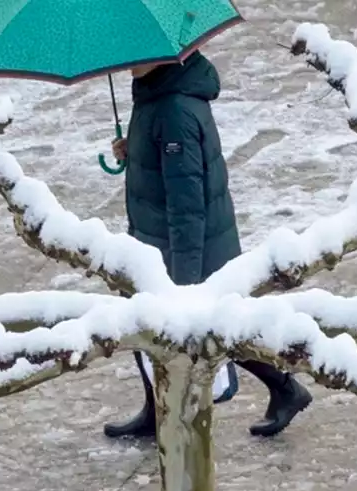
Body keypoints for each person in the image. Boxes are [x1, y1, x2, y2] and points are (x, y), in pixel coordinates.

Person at [104, 50, 312, 440]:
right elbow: (169, 168)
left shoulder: (174, 111)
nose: (126, 63)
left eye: (135, 56)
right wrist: (135, 151)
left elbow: (187, 205)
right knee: (146, 315)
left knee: (212, 330)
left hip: (185, 245)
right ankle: (156, 408)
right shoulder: (156, 94)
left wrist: (184, 285)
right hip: (158, 239)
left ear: (164, 55)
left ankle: (286, 388)